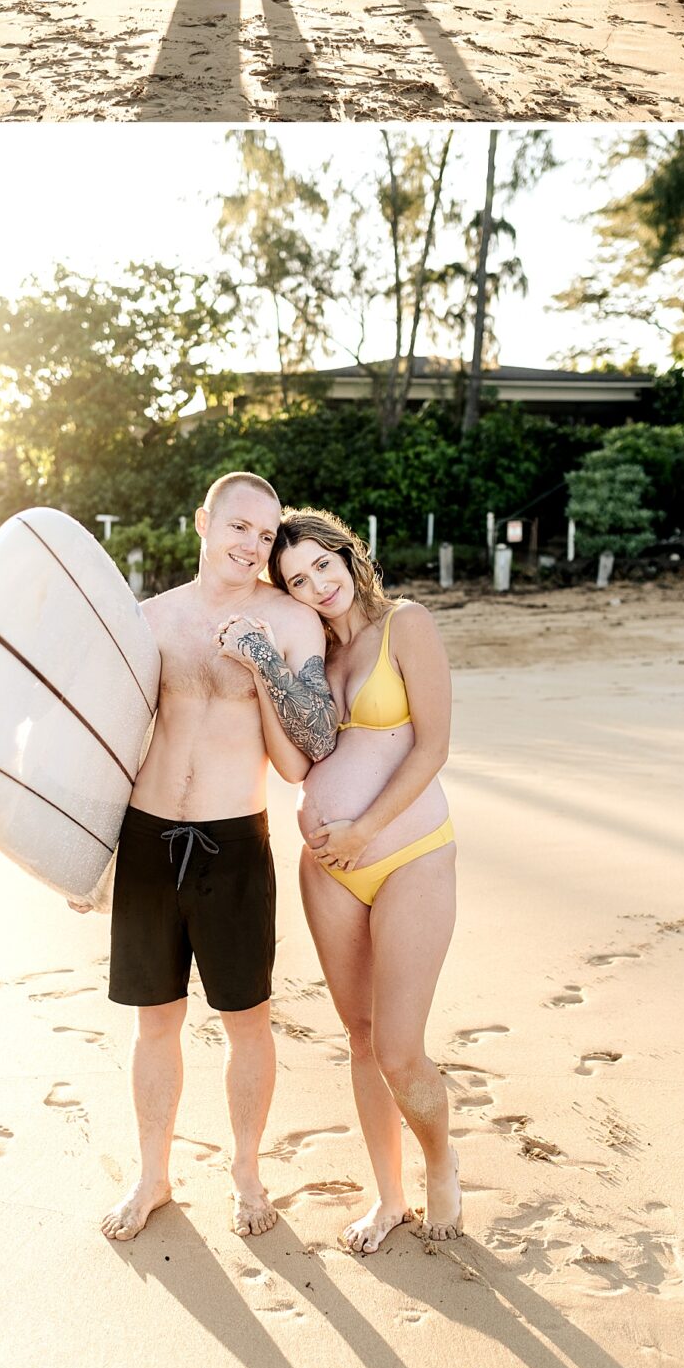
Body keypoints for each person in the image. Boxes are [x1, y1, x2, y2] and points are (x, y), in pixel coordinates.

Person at [97, 473, 338, 1243]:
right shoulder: (150, 618)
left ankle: (245, 1171)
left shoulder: (291, 617)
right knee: (154, 1022)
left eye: (265, 537)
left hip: (235, 842)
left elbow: (317, 740)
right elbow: (114, 743)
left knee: (247, 1022)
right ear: (203, 522)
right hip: (146, 839)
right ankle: (153, 1176)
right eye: (239, 527)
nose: (251, 546)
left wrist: (262, 660)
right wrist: (91, 856)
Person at [222, 506, 460, 1254]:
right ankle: (388, 1199)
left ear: (347, 554)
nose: (316, 584)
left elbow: (432, 750)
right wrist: (264, 672)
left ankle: (440, 1159)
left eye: (322, 564)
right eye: (297, 579)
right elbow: (296, 767)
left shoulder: (407, 626)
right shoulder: (311, 659)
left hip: (409, 856)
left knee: (399, 1048)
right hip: (328, 873)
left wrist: (362, 830)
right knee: (358, 1038)